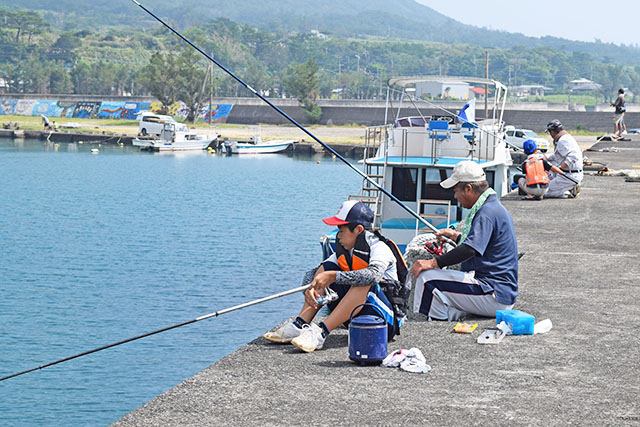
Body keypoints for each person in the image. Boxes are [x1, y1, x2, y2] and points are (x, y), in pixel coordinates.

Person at [263, 200, 398, 353]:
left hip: (383, 321)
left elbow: (373, 276)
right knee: (325, 269)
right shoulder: (347, 250)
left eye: (341, 230)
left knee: (363, 280)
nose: (338, 236)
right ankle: (299, 325)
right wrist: (311, 288)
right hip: (355, 317)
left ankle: (321, 333)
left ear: (358, 229)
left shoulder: (379, 248)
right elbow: (314, 274)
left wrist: (334, 276)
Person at [411, 160, 518, 321]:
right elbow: (483, 245)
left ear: (468, 189)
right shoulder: (492, 206)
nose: (455, 196)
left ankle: (437, 322)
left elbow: (470, 249)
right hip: (500, 292)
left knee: (427, 278)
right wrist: (456, 236)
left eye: (456, 191)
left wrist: (434, 263)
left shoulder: (486, 212)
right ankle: (448, 316)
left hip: (493, 294)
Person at [545, 119, 583, 198]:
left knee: (544, 191)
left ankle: (568, 192)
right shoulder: (566, 137)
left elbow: (574, 155)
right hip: (571, 174)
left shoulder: (562, 140)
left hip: (569, 175)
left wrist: (561, 167)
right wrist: (546, 157)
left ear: (552, 131)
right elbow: (559, 155)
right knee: (548, 188)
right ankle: (569, 189)